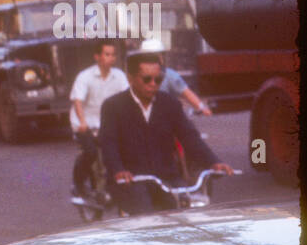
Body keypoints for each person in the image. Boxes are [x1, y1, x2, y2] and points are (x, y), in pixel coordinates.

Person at [98, 51, 232, 215]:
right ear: (130, 78)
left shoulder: (169, 103)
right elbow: (108, 143)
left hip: (167, 178)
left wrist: (212, 162)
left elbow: (189, 136)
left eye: (158, 79)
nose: (153, 84)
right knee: (146, 217)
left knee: (189, 213)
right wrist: (118, 170)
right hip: (132, 181)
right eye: (147, 79)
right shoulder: (113, 106)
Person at [68, 39, 129, 196]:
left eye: (113, 55)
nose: (111, 58)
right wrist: (82, 122)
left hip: (106, 125)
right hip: (84, 123)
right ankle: (78, 183)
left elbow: (127, 98)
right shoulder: (85, 76)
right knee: (91, 152)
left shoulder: (119, 76)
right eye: (107, 54)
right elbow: (78, 101)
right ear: (97, 57)